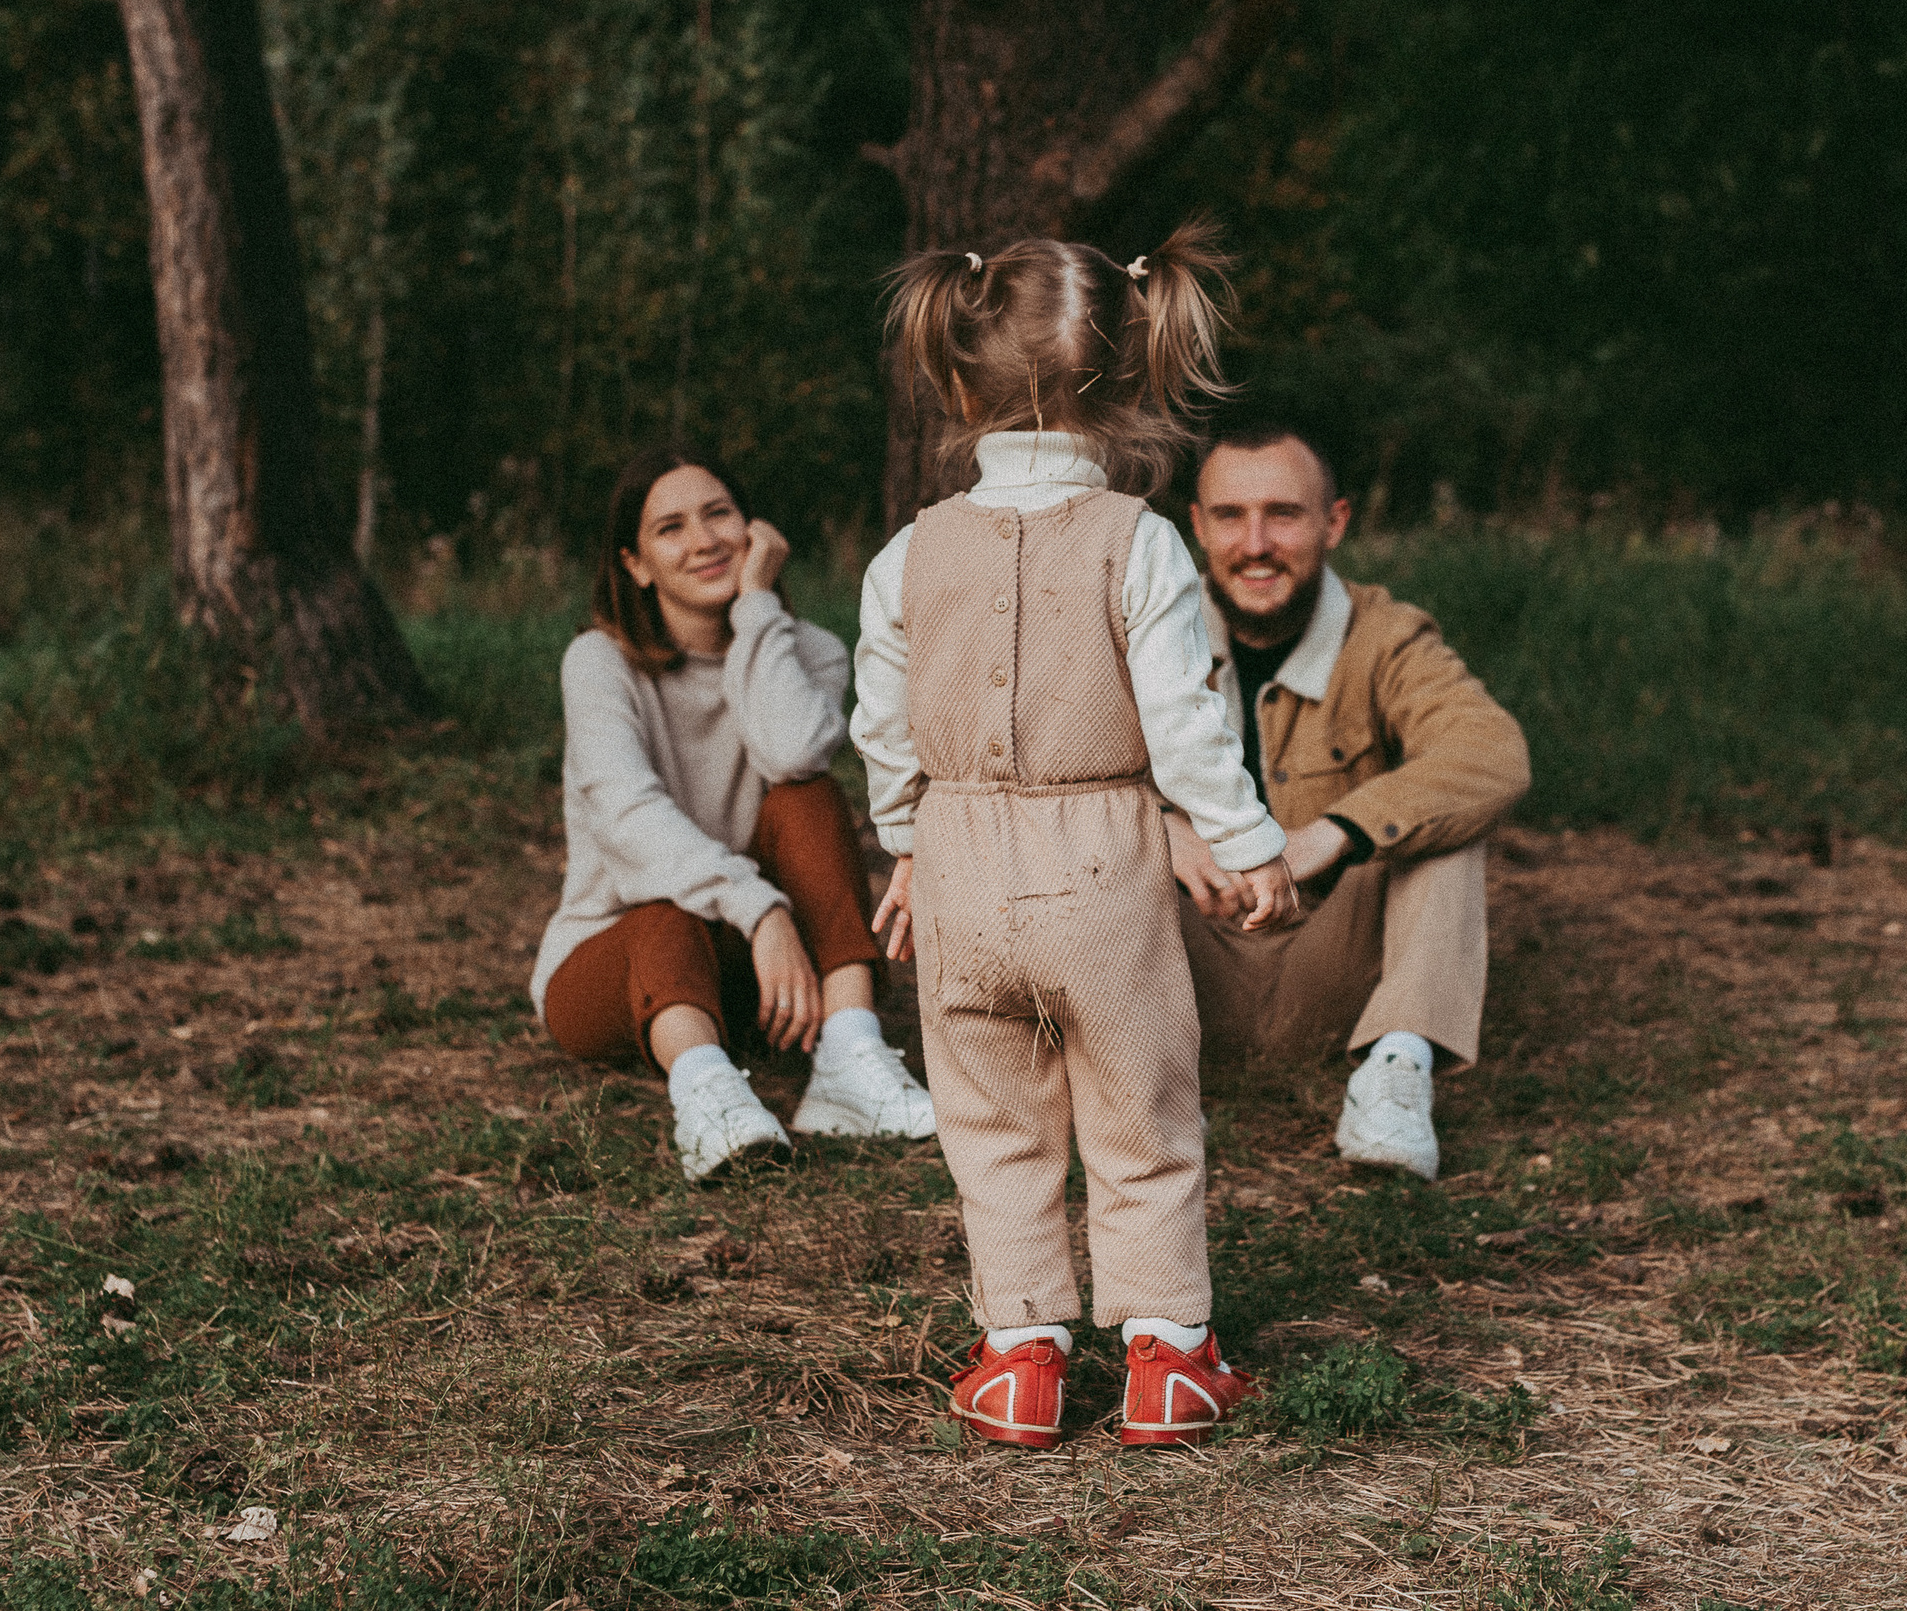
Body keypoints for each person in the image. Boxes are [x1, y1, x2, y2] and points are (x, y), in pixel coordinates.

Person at [855, 222, 1296, 1450]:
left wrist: (906, 843)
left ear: (957, 382)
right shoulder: (1139, 541)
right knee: (1140, 1111)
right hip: (1102, 859)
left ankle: (1019, 1360)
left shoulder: (907, 552)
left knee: (992, 1119)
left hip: (957, 859)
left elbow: (880, 722)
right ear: (1130, 379)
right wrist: (1243, 835)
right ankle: (1169, 1357)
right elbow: (1183, 716)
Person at [531, 447, 936, 1183]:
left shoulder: (808, 650)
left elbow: (792, 753)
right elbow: (627, 816)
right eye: (671, 527)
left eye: (719, 514)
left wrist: (756, 606)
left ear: (754, 530)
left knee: (808, 793)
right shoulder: (599, 662)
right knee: (665, 909)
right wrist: (762, 908)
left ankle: (850, 1053)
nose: (705, 540)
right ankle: (707, 1095)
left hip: (762, 974)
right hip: (617, 959)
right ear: (636, 565)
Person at [1167, 418, 1531, 1182]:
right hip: (1176, 972)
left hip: (1332, 966)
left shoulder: (1386, 634)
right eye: (1230, 516)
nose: (1256, 544)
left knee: (1443, 819)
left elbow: (1491, 749)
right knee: (1087, 823)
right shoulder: (1151, 631)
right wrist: (1157, 828)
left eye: (1283, 514)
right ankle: (1135, 1083)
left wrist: (1333, 833)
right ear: (1198, 526)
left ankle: (1396, 1069)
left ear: (1333, 523)